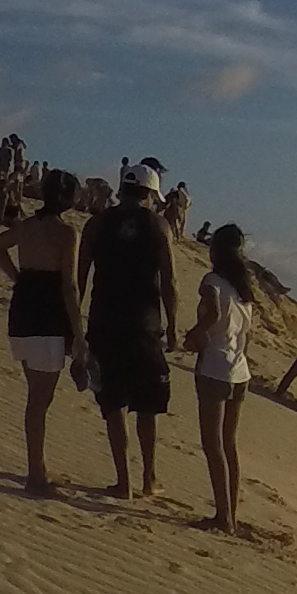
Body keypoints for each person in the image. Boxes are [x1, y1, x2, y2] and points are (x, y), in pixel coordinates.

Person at [75, 166, 180, 502]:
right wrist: (174, 327)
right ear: (150, 194)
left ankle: (124, 481)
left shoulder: (96, 224)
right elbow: (170, 282)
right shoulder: (159, 225)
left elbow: (79, 278)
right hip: (144, 325)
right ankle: (148, 478)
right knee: (147, 406)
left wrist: (75, 326)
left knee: (113, 404)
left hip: (104, 323)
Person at [0, 166, 83, 497]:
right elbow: (69, 286)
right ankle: (35, 476)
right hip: (47, 314)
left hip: (23, 309)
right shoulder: (66, 233)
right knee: (40, 400)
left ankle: (38, 468)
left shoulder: (27, 227)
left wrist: (18, 277)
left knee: (37, 395)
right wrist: (80, 333)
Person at [184, 222, 259, 535]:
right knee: (229, 444)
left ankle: (223, 516)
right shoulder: (244, 290)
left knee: (212, 444)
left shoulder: (211, 281)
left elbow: (212, 314)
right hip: (239, 370)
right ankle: (231, 513)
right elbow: (247, 334)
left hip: (215, 367)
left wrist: (193, 335)